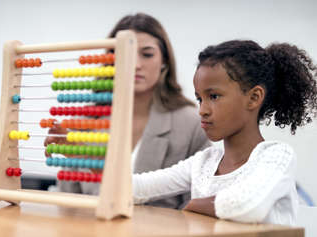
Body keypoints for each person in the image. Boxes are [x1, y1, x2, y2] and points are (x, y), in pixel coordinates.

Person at [133, 40, 317, 225]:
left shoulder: (276, 156)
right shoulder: (203, 163)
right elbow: (138, 187)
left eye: (214, 96)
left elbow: (247, 207)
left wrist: (194, 204)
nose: (202, 110)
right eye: (199, 99)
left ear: (254, 98)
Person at [45, 13, 211, 209]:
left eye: (147, 54)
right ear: (110, 61)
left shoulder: (192, 123)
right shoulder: (83, 123)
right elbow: (67, 202)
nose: (136, 65)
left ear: (164, 61)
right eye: (125, 55)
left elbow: (195, 206)